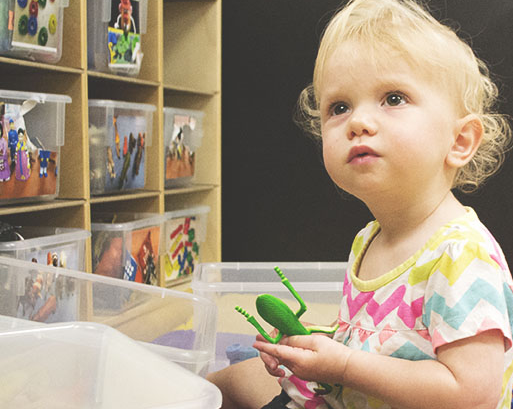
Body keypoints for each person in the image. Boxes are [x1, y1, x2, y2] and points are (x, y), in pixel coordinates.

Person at [208, 0, 513, 408]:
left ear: (459, 141)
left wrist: (345, 367)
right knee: (224, 380)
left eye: (393, 98)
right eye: (339, 107)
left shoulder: (463, 256)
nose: (358, 122)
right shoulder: (369, 239)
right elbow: (376, 344)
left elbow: (471, 391)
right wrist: (319, 350)